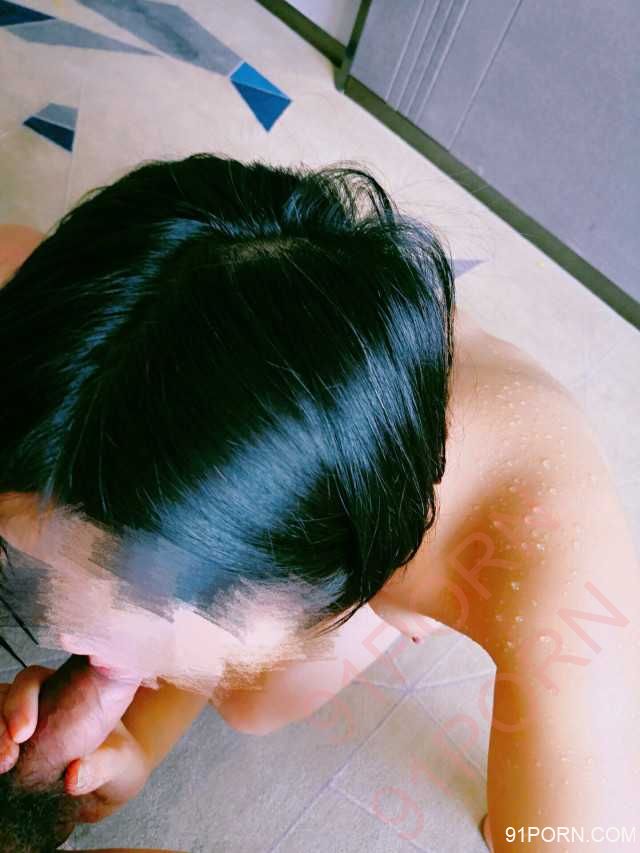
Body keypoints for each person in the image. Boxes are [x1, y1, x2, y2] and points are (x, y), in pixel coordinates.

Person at [0, 155, 638, 853]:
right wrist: (134, 738)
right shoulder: (38, 319)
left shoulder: (560, 596)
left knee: (258, 700)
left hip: (463, 522)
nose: (58, 636)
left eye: (133, 602)